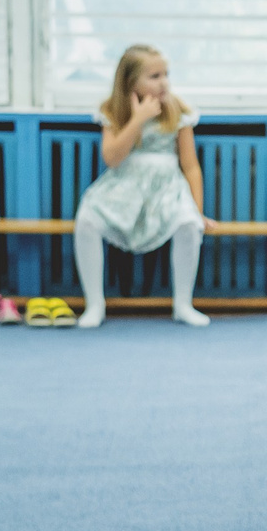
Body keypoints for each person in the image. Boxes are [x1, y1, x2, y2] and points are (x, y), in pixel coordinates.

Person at [71, 45, 215, 330]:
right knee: (87, 219)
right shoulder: (114, 110)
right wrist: (138, 119)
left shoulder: (177, 110)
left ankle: (183, 304)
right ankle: (95, 304)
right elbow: (112, 158)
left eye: (166, 75)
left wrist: (198, 212)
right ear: (130, 81)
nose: (164, 83)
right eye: (154, 76)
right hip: (124, 186)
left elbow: (190, 166)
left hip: (167, 190)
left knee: (188, 224)